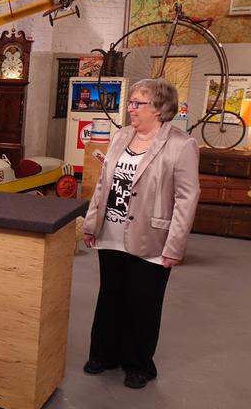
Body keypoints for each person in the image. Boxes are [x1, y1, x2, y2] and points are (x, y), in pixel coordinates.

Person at [82, 78, 200, 389]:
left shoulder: (181, 145)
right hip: (111, 231)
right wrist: (91, 224)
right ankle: (104, 354)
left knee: (143, 303)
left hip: (151, 237)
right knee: (110, 296)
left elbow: (187, 199)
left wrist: (175, 246)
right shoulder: (121, 135)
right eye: (131, 102)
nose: (131, 109)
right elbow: (103, 184)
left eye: (138, 103)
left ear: (159, 108)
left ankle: (138, 364)